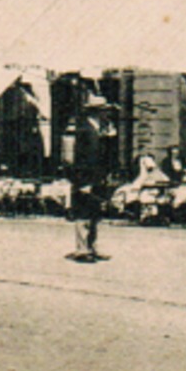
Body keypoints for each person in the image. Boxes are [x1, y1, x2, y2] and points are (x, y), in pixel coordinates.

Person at [66, 103, 114, 262]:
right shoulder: (84, 130)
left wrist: (109, 138)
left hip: (97, 177)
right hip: (85, 179)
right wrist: (81, 182)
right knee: (83, 214)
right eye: (104, 110)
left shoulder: (99, 130)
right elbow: (77, 159)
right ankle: (81, 250)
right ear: (96, 112)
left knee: (94, 214)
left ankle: (92, 248)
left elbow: (103, 156)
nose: (107, 113)